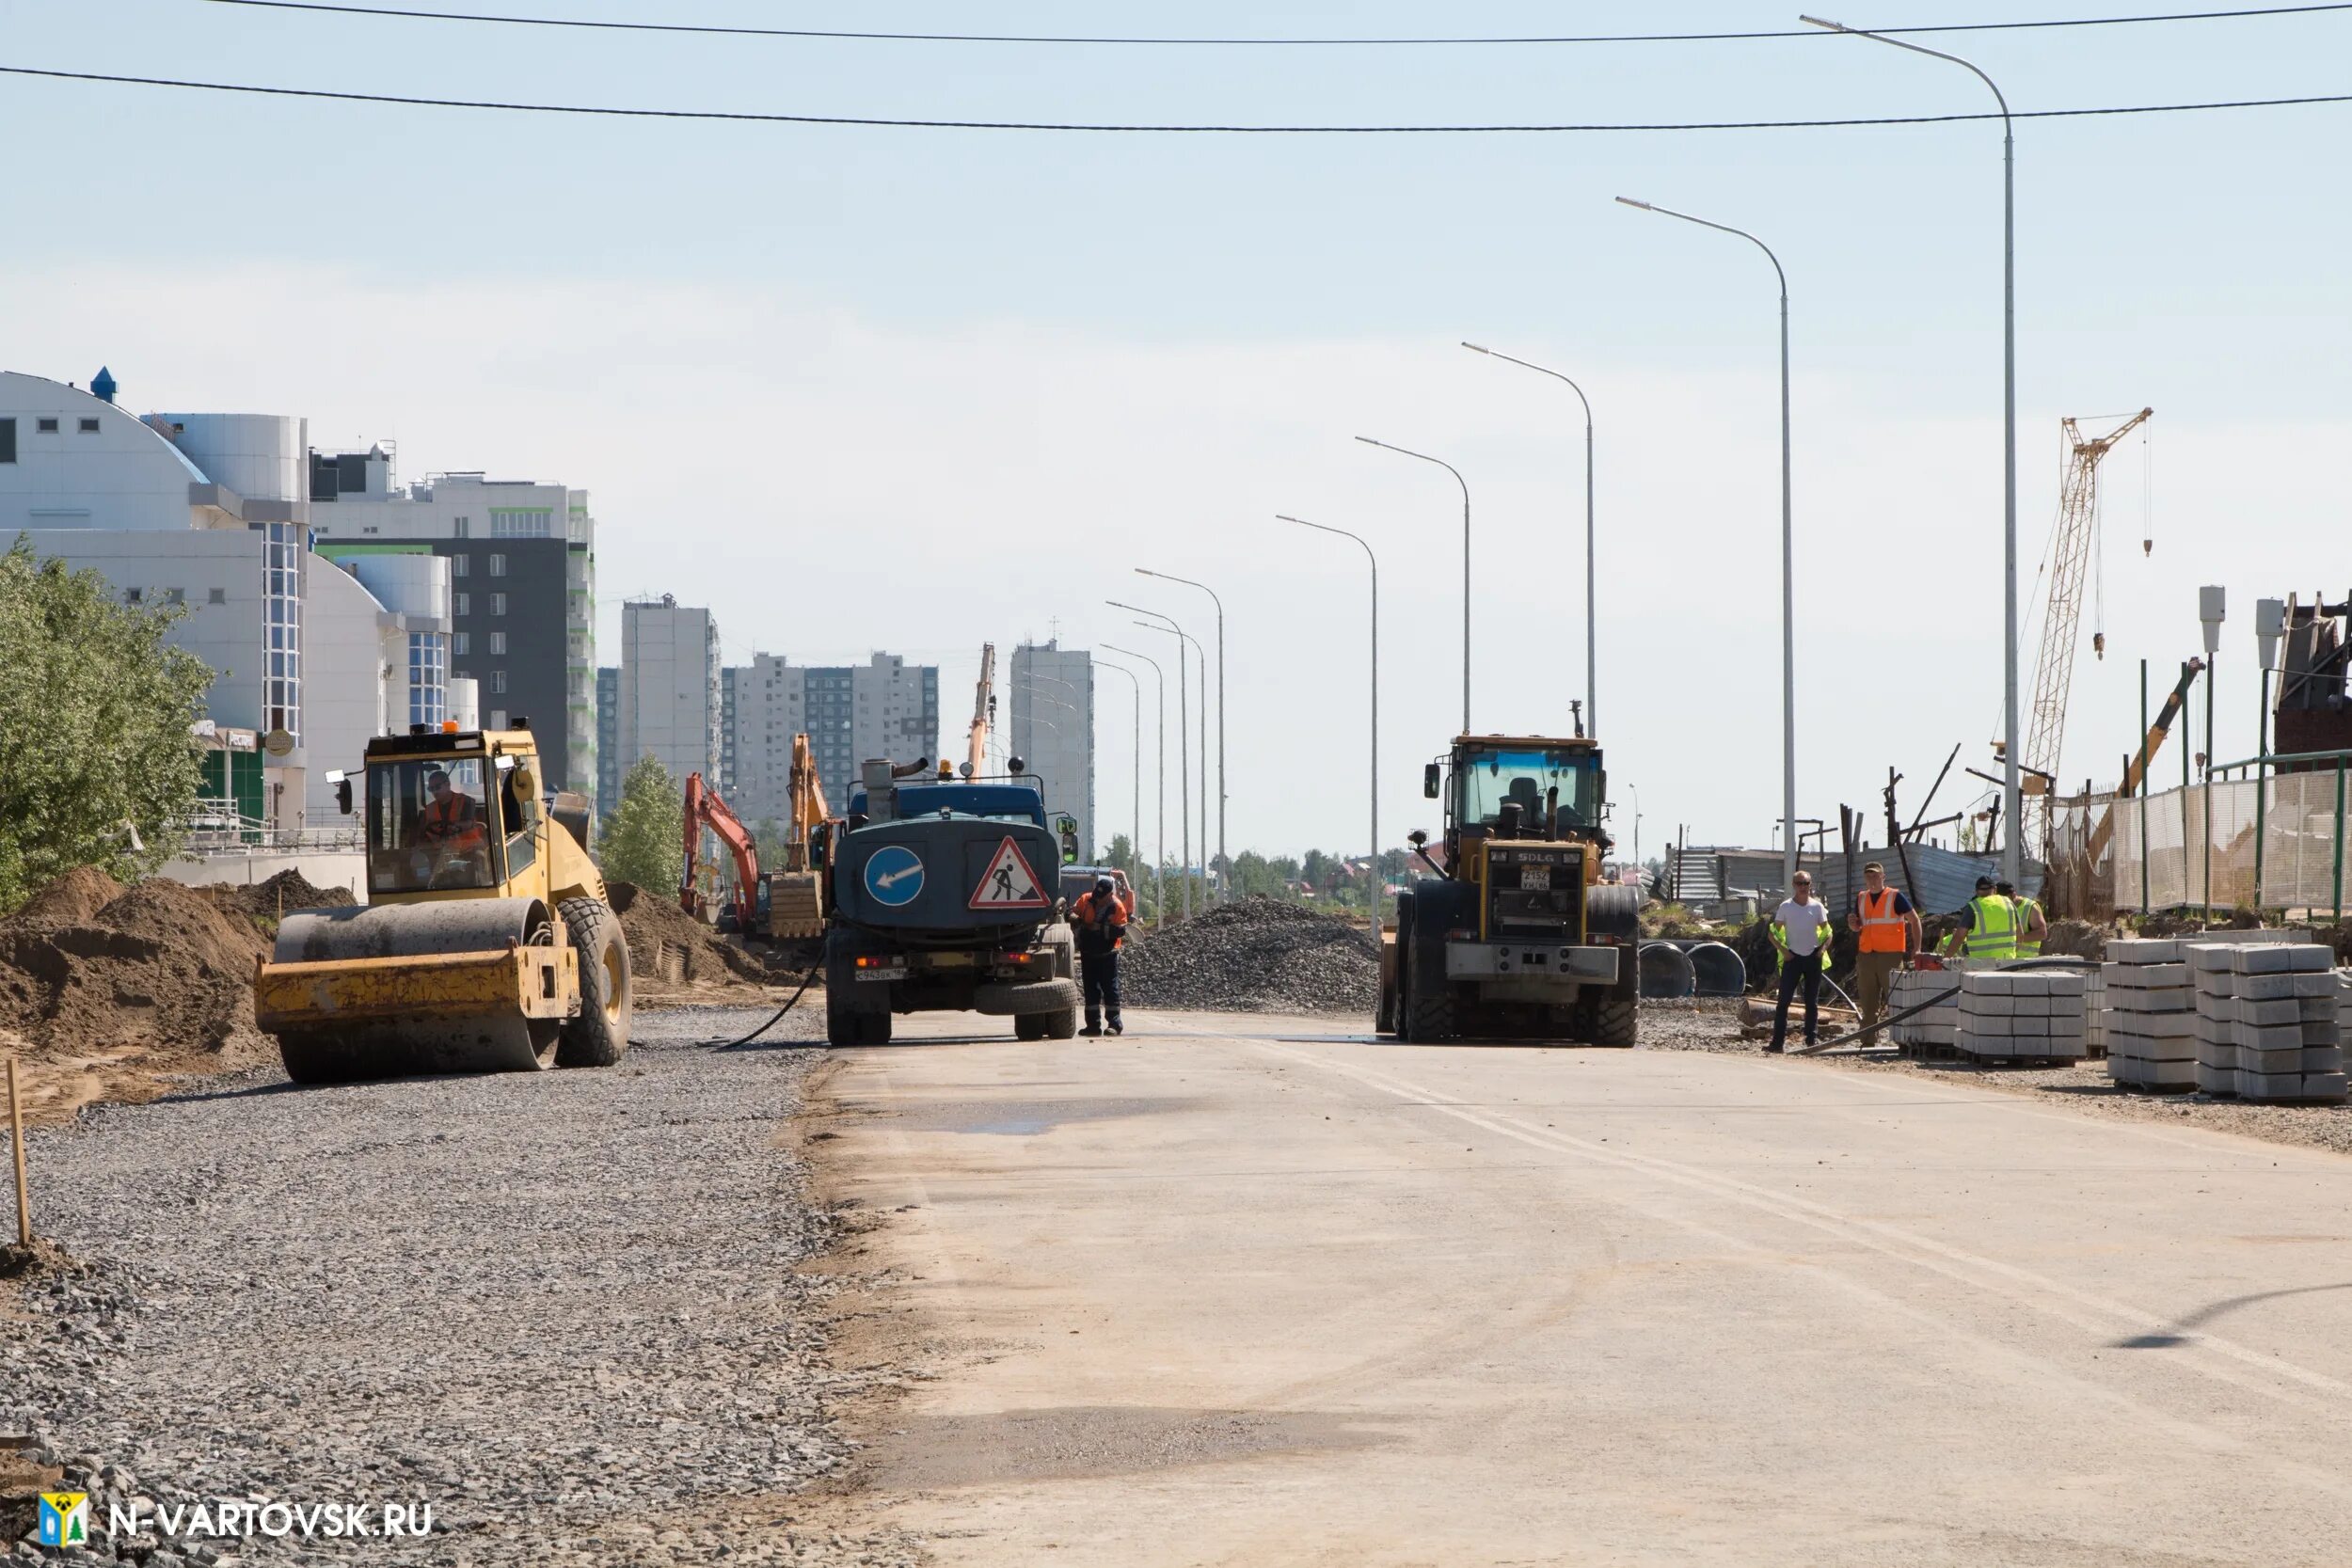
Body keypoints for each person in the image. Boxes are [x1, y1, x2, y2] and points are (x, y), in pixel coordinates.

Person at [1846, 861, 1921, 1046]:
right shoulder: (1861, 898)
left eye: (1875, 875)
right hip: (1866, 956)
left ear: (1883, 876)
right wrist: (1852, 924)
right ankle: (1867, 1041)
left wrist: (1917, 949)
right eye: (1868, 875)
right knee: (1868, 1002)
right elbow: (1858, 927)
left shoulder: (1895, 896)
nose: (1872, 878)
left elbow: (1915, 920)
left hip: (1891, 956)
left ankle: (1904, 1043)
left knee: (1896, 1000)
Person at [1769, 870, 1834, 1053]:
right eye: (1799, 883)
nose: (1803, 887)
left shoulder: (1817, 907)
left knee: (1811, 1001)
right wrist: (1784, 951)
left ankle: (1811, 1039)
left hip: (1812, 957)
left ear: (1810, 885)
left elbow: (1828, 933)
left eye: (1806, 883)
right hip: (1793, 958)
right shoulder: (1786, 907)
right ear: (1794, 885)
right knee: (1784, 1001)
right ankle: (1777, 1042)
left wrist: (1821, 951)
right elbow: (1772, 933)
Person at [1071, 874, 1135, 1037]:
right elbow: (1071, 913)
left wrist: (1097, 928)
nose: (1097, 900)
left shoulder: (1117, 906)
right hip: (1088, 953)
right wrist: (1077, 920)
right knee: (1090, 990)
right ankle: (1092, 1026)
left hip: (1107, 954)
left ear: (1109, 895)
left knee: (1110, 989)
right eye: (1096, 896)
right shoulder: (1086, 899)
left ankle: (1114, 1024)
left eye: (1101, 897)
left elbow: (1120, 930)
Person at [1943, 875, 2017, 960]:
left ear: (1977, 892)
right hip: (2007, 961)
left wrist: (1945, 960)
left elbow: (1959, 936)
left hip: (1981, 964)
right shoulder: (2008, 902)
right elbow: (2020, 933)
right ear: (1995, 889)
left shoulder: (1973, 907)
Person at [417, 768, 485, 851]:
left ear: (448, 784)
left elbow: (468, 823)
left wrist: (454, 826)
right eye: (431, 789)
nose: (435, 792)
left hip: (469, 849)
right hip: (439, 852)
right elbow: (424, 831)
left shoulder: (465, 801)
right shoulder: (429, 808)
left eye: (437, 787)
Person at [2001, 879, 2048, 958]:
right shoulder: (2002, 908)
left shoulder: (2030, 907)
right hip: (2008, 959)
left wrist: (2018, 938)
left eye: (2004, 899)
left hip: (2027, 961)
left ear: (2013, 895)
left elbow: (2042, 933)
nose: (2002, 902)